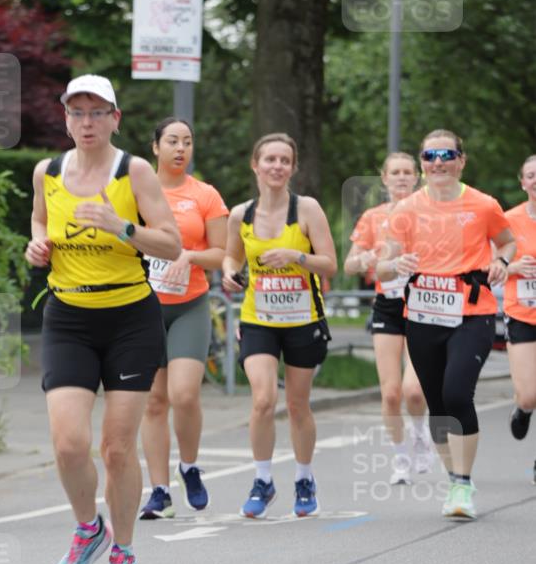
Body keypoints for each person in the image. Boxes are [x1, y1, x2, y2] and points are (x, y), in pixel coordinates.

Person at [25, 75, 181, 564]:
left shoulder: (133, 171)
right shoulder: (47, 171)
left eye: (97, 112)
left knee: (116, 449)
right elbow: (39, 222)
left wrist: (123, 227)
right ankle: (89, 529)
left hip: (130, 319)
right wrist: (37, 246)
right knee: (69, 443)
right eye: (77, 112)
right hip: (68, 317)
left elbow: (172, 245)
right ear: (65, 119)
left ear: (116, 118)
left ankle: (125, 554)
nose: (86, 122)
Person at [376, 130, 515, 520]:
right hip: (422, 316)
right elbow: (383, 266)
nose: (438, 162)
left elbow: (507, 241)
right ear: (423, 163)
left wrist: (501, 261)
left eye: (447, 155)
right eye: (430, 155)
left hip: (472, 313)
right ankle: (453, 477)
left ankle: (463, 483)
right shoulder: (406, 210)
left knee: (456, 394)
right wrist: (395, 264)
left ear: (461, 161)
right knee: (437, 406)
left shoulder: (483, 205)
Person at [222, 133, 337, 518]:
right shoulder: (240, 215)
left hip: (303, 319)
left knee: (297, 404)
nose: (277, 166)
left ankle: (304, 479)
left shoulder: (307, 209)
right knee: (263, 399)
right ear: (255, 165)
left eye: (284, 160)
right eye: (270, 159)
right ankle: (263, 480)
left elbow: (330, 265)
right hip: (259, 319)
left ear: (293, 167)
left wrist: (296, 256)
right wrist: (229, 274)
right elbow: (231, 258)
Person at [139, 118, 228, 519]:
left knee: (184, 394)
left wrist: (188, 255)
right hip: (143, 307)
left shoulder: (204, 195)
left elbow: (221, 254)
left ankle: (189, 467)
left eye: (187, 142)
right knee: (154, 401)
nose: (180, 149)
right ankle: (159, 492)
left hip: (190, 304)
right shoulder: (135, 191)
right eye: (172, 141)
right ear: (155, 147)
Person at [344, 153, 434, 485]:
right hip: (388, 306)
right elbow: (349, 265)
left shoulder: (429, 214)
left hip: (423, 304)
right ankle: (400, 458)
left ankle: (420, 433)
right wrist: (367, 257)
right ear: (384, 178)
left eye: (407, 172)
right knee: (391, 393)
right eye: (395, 172)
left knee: (414, 391)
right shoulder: (373, 217)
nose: (401, 177)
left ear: (417, 177)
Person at [504, 155, 536, 472]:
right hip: (523, 314)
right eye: (531, 175)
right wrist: (513, 267)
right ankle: (523, 410)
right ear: (523, 182)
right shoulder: (509, 220)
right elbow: (489, 265)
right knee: (528, 395)